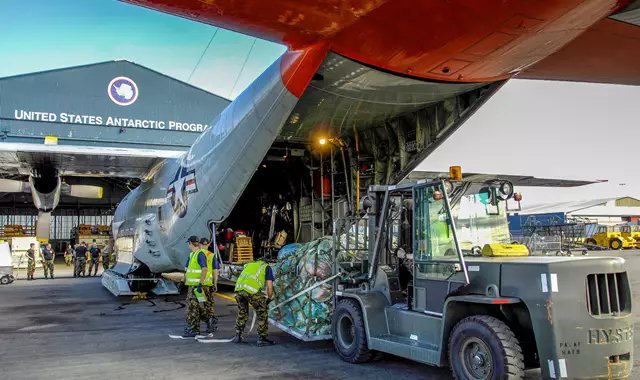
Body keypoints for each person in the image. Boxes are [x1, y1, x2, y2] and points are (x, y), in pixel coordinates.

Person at [234, 256, 275, 346]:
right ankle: (262, 338)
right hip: (252, 292)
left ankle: (238, 335)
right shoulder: (266, 267)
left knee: (242, 312)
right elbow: (270, 286)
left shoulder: (248, 265)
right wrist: (269, 298)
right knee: (262, 313)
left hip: (239, 291)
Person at [182, 235, 210, 338]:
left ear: (190, 243)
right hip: (191, 286)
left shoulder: (200, 254)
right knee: (192, 306)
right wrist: (182, 281)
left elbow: (205, 269)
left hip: (197, 286)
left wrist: (200, 284)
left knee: (193, 308)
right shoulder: (192, 255)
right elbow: (187, 270)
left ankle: (194, 329)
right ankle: (206, 320)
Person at [199, 237, 219, 335]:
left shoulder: (195, 254)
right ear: (208, 244)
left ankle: (210, 322)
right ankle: (211, 323)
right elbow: (215, 270)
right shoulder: (212, 256)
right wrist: (215, 283)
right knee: (209, 306)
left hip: (198, 285)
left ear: (200, 244)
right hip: (208, 285)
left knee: (198, 305)